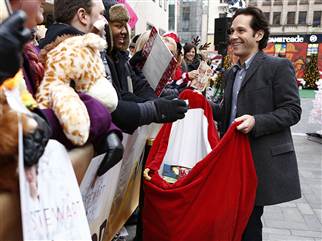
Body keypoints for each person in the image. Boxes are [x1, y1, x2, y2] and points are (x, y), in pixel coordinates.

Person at [212, 6, 301, 240]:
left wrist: (256, 121)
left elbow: (292, 111)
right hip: (231, 161)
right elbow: (227, 113)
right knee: (233, 220)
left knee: (249, 223)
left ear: (258, 35)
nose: (233, 36)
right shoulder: (232, 72)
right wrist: (200, 104)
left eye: (241, 30)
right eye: (231, 30)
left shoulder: (278, 67)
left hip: (257, 162)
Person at [14, 0, 122, 175]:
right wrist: (101, 120)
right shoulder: (62, 50)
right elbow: (33, 120)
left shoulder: (28, 54)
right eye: (101, 14)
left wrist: (107, 129)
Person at [103, 1, 188, 134]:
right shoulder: (101, 59)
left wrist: (162, 103)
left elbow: (140, 90)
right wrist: (155, 109)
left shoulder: (122, 60)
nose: (124, 31)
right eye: (118, 26)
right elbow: (117, 104)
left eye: (126, 26)